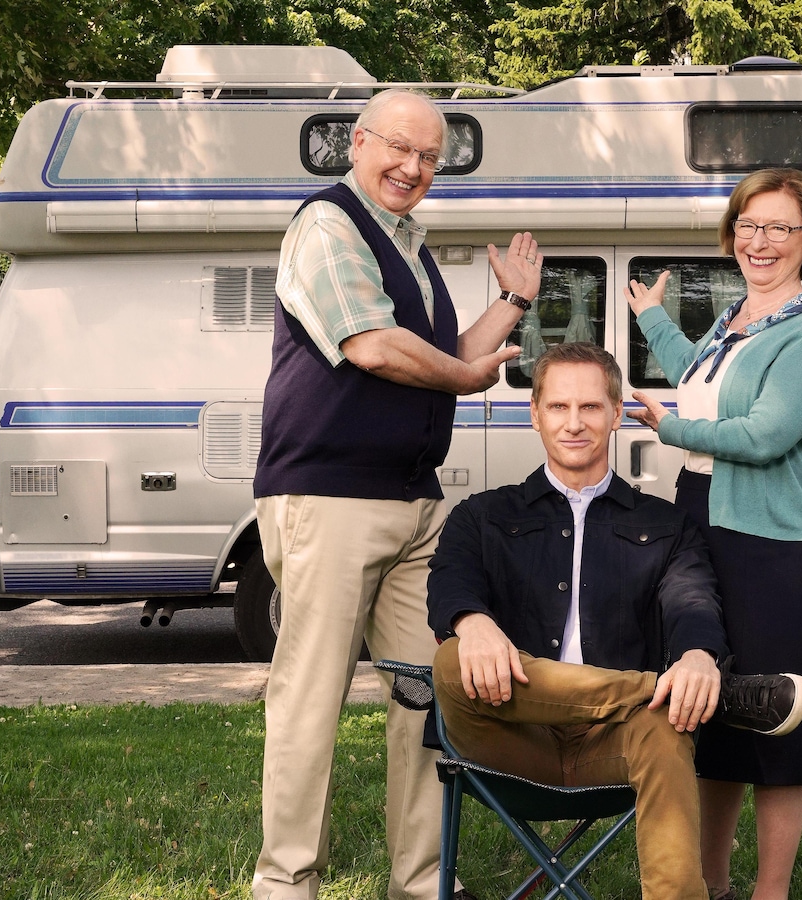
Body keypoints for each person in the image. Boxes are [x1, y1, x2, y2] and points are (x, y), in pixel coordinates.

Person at [250, 88, 543, 900]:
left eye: (429, 159)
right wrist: (469, 379)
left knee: (425, 699)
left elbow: (441, 352)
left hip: (414, 502)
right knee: (310, 699)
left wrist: (513, 301)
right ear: (357, 142)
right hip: (330, 497)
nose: (412, 168)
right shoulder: (328, 225)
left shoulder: (404, 241)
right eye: (399, 149)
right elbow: (374, 347)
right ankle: (285, 884)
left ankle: (421, 883)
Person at [426, 342, 802, 900]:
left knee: (662, 722)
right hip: (506, 737)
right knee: (450, 658)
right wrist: (473, 623)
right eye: (558, 407)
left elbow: (694, 602)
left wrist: (699, 658)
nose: (574, 423)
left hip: (618, 744)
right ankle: (697, 696)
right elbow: (449, 580)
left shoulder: (666, 525)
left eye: (590, 408)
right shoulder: (483, 514)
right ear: (535, 415)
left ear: (614, 415)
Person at [625, 167, 802, 900]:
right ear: (732, 235)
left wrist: (670, 427)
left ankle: (769, 891)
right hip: (706, 523)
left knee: (779, 719)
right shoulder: (735, 324)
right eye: (749, 226)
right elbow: (699, 375)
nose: (761, 241)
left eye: (780, 228)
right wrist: (654, 318)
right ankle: (712, 883)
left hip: (777, 546)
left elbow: (763, 435)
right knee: (712, 710)